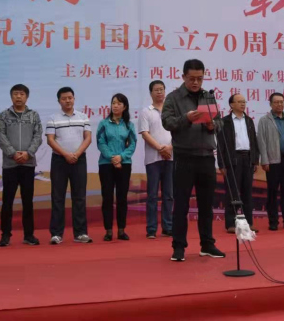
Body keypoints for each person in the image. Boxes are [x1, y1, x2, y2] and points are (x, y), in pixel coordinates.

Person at [162, 59, 225, 262]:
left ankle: (207, 244)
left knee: (206, 204)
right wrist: (186, 118)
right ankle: (179, 246)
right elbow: (167, 122)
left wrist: (213, 125)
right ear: (183, 77)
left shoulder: (208, 96)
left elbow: (219, 122)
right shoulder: (173, 98)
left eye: (199, 78)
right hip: (184, 157)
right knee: (181, 204)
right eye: (192, 79)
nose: (196, 82)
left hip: (206, 156)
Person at [0, 84, 42, 247]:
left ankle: (29, 235)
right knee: (7, 201)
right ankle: (5, 235)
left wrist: (28, 153)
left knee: (27, 201)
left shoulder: (34, 115)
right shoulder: (3, 115)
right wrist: (13, 153)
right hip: (10, 164)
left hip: (28, 164)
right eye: (15, 94)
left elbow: (38, 136)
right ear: (11, 96)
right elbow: (0, 136)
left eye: (22, 94)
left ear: (26, 97)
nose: (18, 97)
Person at [46, 87, 93, 245]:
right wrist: (66, 154)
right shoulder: (53, 118)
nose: (67, 100)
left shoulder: (83, 117)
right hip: (59, 160)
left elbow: (88, 138)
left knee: (79, 197)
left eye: (70, 98)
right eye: (64, 98)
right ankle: (56, 234)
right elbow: (50, 140)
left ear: (74, 99)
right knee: (58, 197)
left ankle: (80, 233)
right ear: (59, 101)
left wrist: (77, 154)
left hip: (79, 160)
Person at [257, 93, 284, 231]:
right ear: (270, 104)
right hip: (273, 161)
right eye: (276, 102)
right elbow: (261, 141)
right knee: (272, 192)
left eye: (281, 102)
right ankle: (273, 221)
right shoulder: (264, 120)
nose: (279, 104)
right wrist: (264, 160)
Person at [96, 93, 137, 241]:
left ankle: (121, 230)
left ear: (124, 107)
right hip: (106, 164)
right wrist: (112, 158)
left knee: (122, 197)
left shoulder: (129, 125)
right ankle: (108, 231)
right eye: (113, 103)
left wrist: (121, 157)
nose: (115, 106)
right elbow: (101, 143)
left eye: (119, 103)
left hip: (124, 164)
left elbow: (133, 144)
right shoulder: (104, 124)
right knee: (107, 197)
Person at [217, 93, 259, 233]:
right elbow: (220, 144)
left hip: (247, 158)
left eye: (244, 102)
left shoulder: (249, 121)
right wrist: (221, 164)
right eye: (239, 101)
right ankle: (231, 224)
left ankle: (249, 223)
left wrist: (255, 160)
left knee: (247, 192)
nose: (243, 104)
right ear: (231, 105)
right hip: (232, 159)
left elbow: (254, 141)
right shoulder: (225, 121)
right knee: (232, 192)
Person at [138, 80, 173, 239]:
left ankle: (168, 227)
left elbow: (177, 131)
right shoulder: (146, 112)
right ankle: (151, 229)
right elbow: (145, 134)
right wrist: (160, 148)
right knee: (152, 195)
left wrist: (169, 148)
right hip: (153, 159)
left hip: (171, 157)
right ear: (151, 93)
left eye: (161, 89)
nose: (159, 92)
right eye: (156, 90)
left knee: (169, 195)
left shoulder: (171, 110)